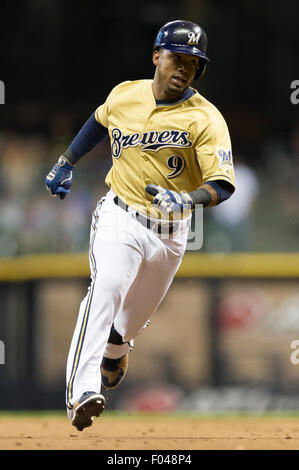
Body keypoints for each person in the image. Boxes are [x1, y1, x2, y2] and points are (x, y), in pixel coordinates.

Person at [45, 20, 235, 431]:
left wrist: (187, 198)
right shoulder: (125, 94)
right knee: (106, 288)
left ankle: (116, 348)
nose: (183, 68)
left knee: (128, 324)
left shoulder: (206, 118)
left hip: (172, 232)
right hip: (120, 216)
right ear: (156, 56)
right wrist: (66, 162)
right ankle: (81, 392)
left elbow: (222, 184)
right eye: (175, 58)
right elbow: (98, 121)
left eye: (193, 62)